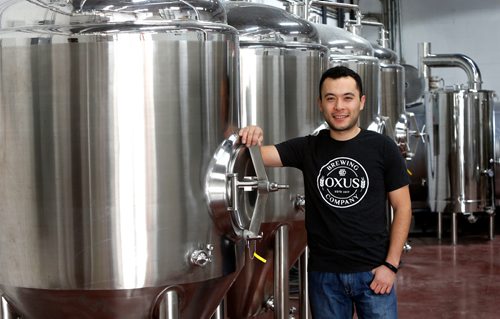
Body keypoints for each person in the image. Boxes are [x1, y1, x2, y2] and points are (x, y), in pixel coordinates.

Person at [239, 66, 412, 319]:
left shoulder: (382, 148)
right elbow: (254, 156)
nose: (339, 106)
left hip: (374, 272)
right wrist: (252, 134)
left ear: (361, 102)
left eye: (347, 98)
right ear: (320, 104)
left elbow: (403, 208)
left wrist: (390, 265)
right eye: (331, 98)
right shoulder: (309, 147)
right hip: (324, 276)